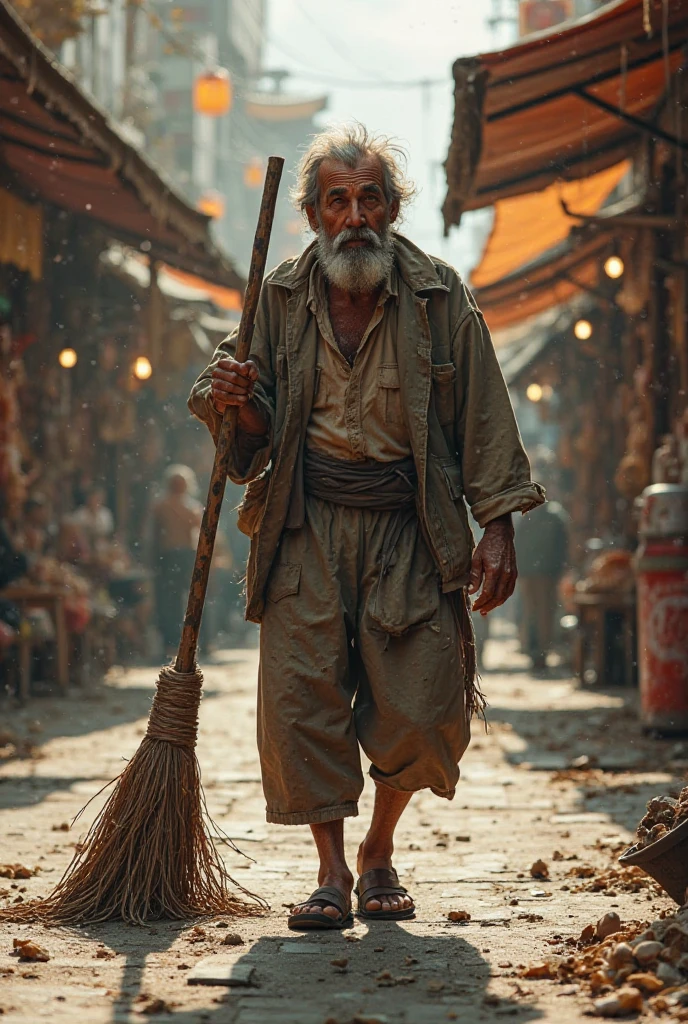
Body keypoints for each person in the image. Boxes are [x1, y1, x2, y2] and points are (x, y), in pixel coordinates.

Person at [189, 125, 544, 930]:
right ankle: (329, 874)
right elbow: (241, 438)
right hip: (304, 525)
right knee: (303, 703)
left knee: (420, 706)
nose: (355, 217)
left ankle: (378, 845)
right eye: (338, 201)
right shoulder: (275, 300)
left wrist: (497, 526)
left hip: (410, 530)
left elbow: (485, 414)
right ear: (311, 215)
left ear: (392, 210)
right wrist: (239, 398)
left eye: (370, 199)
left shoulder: (440, 295)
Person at [149, 465, 203, 657]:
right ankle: (173, 644)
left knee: (184, 600)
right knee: (172, 601)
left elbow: (200, 536)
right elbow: (154, 535)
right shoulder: (163, 506)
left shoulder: (190, 508)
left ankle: (184, 643)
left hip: (184, 557)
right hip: (169, 557)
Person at [515, 500, 569, 671]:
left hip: (538, 573)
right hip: (542, 573)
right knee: (542, 614)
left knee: (535, 613)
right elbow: (563, 545)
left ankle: (537, 651)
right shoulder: (554, 516)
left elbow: (518, 542)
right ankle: (539, 651)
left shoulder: (531, 516)